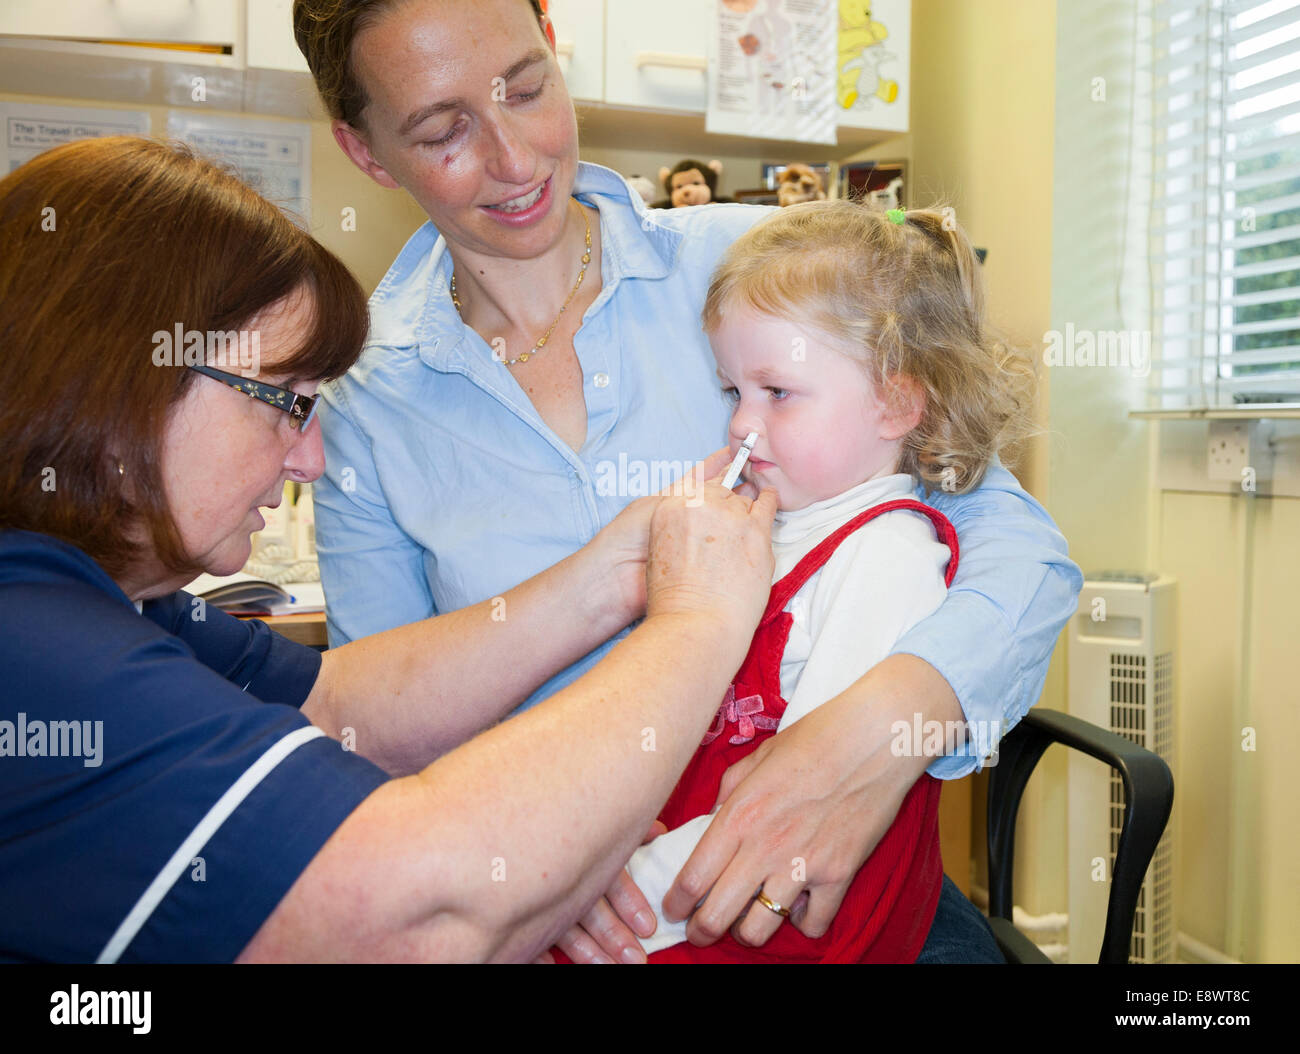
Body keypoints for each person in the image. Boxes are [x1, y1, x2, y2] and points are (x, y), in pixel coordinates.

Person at [293, 0, 1083, 960]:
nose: (514, 157)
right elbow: (377, 734)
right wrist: (543, 858)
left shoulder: (761, 273)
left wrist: (875, 734)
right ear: (367, 153)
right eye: (442, 129)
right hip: (570, 920)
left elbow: (1019, 548)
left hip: (825, 883)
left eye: (527, 88)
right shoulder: (366, 406)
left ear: (557, 53)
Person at [0, 135, 779, 963]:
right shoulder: (30, 645)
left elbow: (340, 707)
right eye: (283, 400)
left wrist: (615, 576)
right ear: (125, 374)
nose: (310, 460)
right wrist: (696, 623)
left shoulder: (114, 602)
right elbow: (421, 915)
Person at [607, 200, 1036, 961]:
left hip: (780, 921)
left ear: (896, 403)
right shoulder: (772, 525)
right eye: (731, 391)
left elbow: (794, 800)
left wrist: (617, 894)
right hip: (700, 884)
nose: (741, 424)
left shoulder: (888, 559)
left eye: (777, 392)